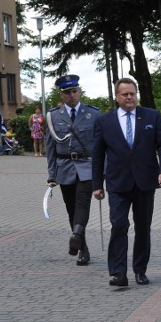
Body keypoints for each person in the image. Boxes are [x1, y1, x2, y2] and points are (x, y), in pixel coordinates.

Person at [93, 77, 161, 287]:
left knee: (143, 227)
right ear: (117, 96)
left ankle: (140, 270)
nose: (129, 97)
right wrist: (96, 185)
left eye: (132, 94)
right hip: (117, 182)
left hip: (145, 181)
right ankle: (118, 272)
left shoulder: (151, 116)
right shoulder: (104, 121)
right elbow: (98, 155)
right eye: (125, 94)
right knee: (119, 225)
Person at [47, 74, 100, 267]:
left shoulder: (93, 114)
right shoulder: (53, 116)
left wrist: (102, 170)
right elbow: (50, 147)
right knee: (71, 209)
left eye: (75, 91)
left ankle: (76, 234)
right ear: (61, 95)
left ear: (80, 91)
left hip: (87, 166)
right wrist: (51, 174)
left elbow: (101, 145)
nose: (72, 95)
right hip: (65, 167)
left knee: (82, 203)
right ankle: (82, 247)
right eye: (67, 92)